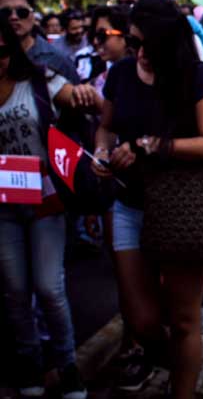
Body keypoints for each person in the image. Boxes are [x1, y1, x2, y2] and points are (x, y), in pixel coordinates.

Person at [92, 0, 203, 399]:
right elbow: (106, 128)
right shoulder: (122, 74)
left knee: (184, 320)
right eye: (133, 43)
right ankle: (173, 359)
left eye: (148, 44)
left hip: (182, 207)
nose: (140, 52)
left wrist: (156, 145)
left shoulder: (196, 76)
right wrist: (101, 151)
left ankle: (181, 390)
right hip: (129, 204)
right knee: (140, 318)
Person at [0, 20, 88, 399]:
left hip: (45, 197)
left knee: (49, 287)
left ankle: (67, 366)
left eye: (2, 52)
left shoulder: (38, 79)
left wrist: (88, 95)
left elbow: (81, 100)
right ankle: (30, 365)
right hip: (3, 207)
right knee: (15, 291)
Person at [114, 0, 203, 61]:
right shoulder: (118, 40)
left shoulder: (182, 35)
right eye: (119, 4)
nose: (124, 10)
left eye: (130, 4)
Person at [0, 0, 83, 86]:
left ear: (33, 15)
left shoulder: (58, 60)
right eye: (5, 12)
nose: (14, 17)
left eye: (22, 12)